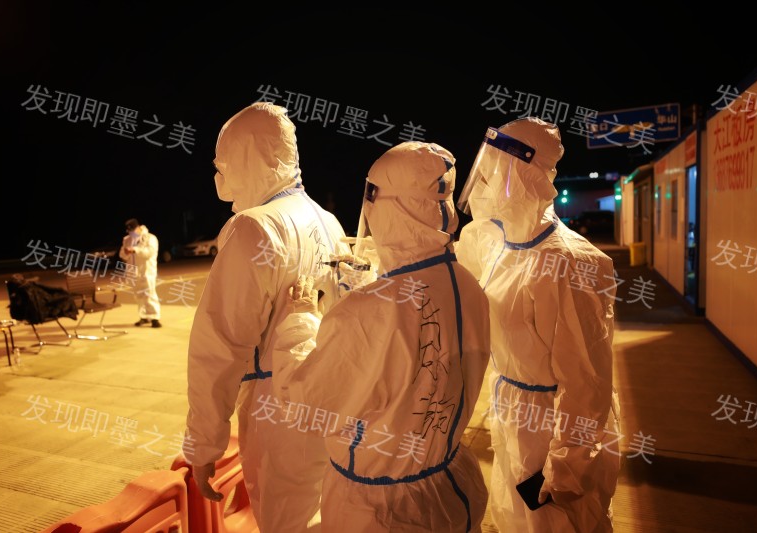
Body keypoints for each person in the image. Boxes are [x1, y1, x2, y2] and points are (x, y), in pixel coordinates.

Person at [272, 141, 491, 532]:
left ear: (390, 208)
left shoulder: (369, 311)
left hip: (379, 511)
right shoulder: (466, 283)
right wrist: (370, 290)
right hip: (452, 487)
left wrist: (300, 319)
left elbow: (304, 400)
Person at [184, 102, 350, 532]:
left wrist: (203, 444)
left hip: (278, 412)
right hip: (330, 403)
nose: (220, 176)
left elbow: (220, 345)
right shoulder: (329, 222)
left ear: (248, 156)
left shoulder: (255, 227)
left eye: (224, 162)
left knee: (286, 521)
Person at [454, 117, 621, 532]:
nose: (485, 180)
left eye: (494, 169)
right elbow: (458, 268)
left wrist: (566, 468)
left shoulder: (568, 263)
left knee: (554, 523)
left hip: (548, 428)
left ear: (523, 171)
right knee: (515, 519)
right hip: (513, 412)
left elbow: (586, 384)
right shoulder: (502, 245)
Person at [120, 218, 161, 328]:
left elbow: (149, 253)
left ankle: (155, 317)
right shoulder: (127, 239)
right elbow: (122, 255)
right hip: (133, 271)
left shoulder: (150, 238)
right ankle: (143, 316)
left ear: (137, 228)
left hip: (146, 271)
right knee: (138, 295)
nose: (130, 233)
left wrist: (135, 250)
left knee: (149, 293)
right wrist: (126, 253)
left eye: (132, 230)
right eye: (128, 231)